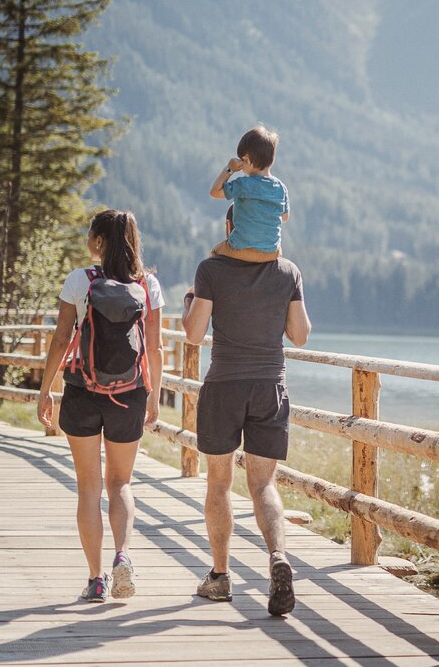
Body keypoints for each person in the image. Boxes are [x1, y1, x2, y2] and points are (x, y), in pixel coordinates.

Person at [182, 205, 311, 614]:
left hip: (224, 387)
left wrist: (190, 300)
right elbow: (301, 335)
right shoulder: (288, 271)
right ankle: (277, 557)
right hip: (270, 387)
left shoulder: (211, 269)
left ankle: (220, 578)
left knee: (219, 483)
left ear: (230, 227)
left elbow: (193, 333)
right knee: (263, 485)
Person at [37, 209, 164, 603]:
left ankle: (95, 580)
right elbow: (156, 347)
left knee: (89, 487)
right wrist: (155, 395)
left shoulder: (79, 281)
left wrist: (44, 391)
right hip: (130, 394)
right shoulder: (148, 285)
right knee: (121, 482)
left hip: (81, 391)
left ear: (98, 240)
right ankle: (123, 555)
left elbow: (61, 340)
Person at [209, 125, 289, 263]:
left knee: (214, 255)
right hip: (271, 252)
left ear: (247, 159)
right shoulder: (281, 188)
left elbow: (214, 192)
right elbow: (285, 217)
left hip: (240, 249)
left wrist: (229, 169)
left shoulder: (243, 184)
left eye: (242, 159)